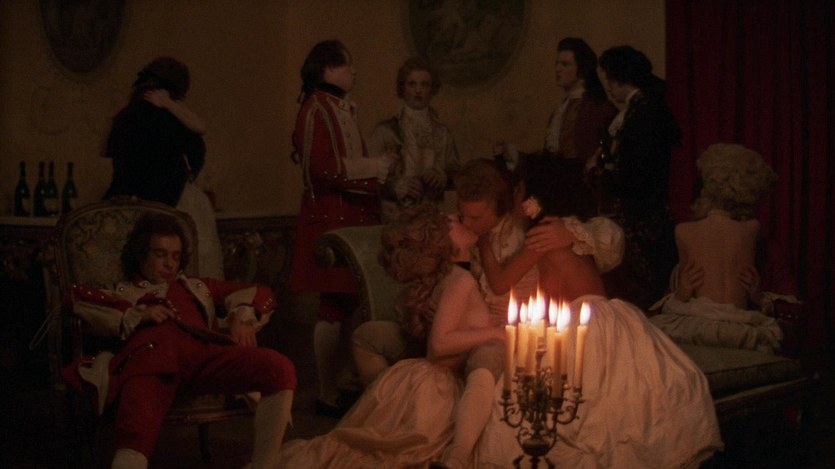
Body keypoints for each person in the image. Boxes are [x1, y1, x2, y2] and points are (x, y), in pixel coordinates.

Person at [475, 153, 722, 468]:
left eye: (518, 192)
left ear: (528, 195)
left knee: (571, 399)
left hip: (583, 320)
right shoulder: (567, 228)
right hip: (610, 315)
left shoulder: (544, 235)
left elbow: (500, 283)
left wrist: (483, 242)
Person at [61, 212, 296, 469]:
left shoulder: (196, 286)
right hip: (150, 363)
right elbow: (74, 300)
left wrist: (242, 316)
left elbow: (260, 292)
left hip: (206, 355)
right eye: (160, 254)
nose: (169, 264)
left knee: (279, 368)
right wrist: (136, 315)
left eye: (175, 256)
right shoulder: (123, 292)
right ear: (141, 255)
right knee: (135, 437)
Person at [278, 205, 505, 468]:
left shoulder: (451, 277)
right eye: (455, 221)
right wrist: (497, 332)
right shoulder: (460, 280)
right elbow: (439, 346)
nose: (461, 221)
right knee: (400, 449)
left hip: (428, 374)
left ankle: (395, 413)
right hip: (436, 381)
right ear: (443, 243)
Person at [289, 39, 392, 418]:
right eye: (348, 65)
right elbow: (321, 169)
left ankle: (344, 382)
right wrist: (373, 168)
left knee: (348, 304)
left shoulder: (336, 107)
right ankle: (327, 391)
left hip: (352, 216)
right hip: (332, 219)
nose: (354, 72)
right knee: (332, 306)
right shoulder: (315, 108)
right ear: (328, 69)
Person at [649, 144, 791, 354]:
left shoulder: (683, 230)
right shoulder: (752, 228)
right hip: (739, 326)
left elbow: (684, 291)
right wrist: (681, 293)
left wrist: (681, 295)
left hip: (697, 324)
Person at [104, 56, 224, 279]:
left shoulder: (127, 115)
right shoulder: (174, 116)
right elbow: (199, 135)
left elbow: (106, 150)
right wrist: (170, 105)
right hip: (171, 201)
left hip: (122, 203)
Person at [596, 45, 682, 311]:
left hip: (641, 214)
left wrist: (602, 175)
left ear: (620, 77)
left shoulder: (644, 113)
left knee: (640, 287)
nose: (608, 86)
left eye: (610, 78)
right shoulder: (643, 109)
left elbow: (636, 171)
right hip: (643, 210)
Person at [495, 38, 617, 177]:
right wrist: (516, 156)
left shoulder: (597, 108)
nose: (557, 69)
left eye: (565, 64)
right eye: (557, 64)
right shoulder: (562, 109)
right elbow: (551, 162)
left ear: (582, 69)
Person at [370, 57, 460, 222]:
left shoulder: (443, 133)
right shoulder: (385, 131)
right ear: (403, 87)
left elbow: (456, 174)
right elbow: (369, 177)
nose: (418, 91)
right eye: (412, 84)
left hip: (432, 217)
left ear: (432, 89)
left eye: (424, 85)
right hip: (394, 218)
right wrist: (396, 187)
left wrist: (441, 176)